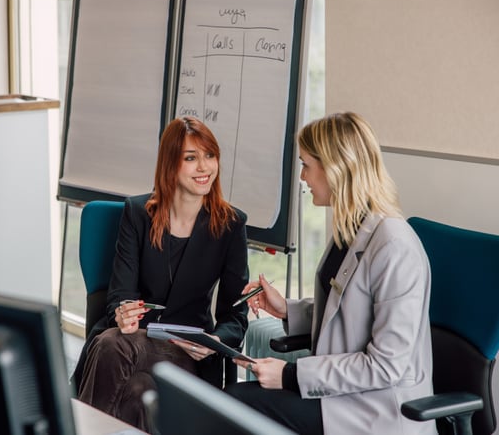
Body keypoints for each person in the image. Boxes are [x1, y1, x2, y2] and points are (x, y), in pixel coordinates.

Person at [226, 112, 436, 435]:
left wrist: (290, 376)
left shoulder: (395, 246)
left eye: (306, 165)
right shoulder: (351, 230)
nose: (302, 177)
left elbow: (385, 366)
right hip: (343, 396)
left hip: (375, 410)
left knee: (234, 407)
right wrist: (287, 309)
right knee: (231, 403)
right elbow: (348, 314)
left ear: (335, 168)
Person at [74, 116, 249, 430]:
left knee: (112, 345)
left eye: (210, 156)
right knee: (138, 391)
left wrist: (214, 340)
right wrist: (123, 313)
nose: (204, 167)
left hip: (187, 353)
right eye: (191, 158)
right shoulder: (138, 214)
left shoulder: (230, 225)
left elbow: (235, 316)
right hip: (135, 339)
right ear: (170, 164)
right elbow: (120, 295)